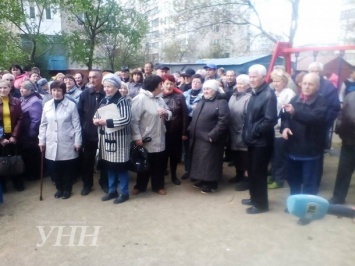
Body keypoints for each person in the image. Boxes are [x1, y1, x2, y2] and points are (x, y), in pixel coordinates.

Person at [282, 73, 327, 197]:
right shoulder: (295, 99)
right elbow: (286, 116)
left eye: (310, 84)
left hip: (310, 151)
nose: (306, 87)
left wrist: (295, 112)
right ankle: (296, 205)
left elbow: (314, 118)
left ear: (317, 86)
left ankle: (308, 211)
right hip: (293, 148)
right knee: (293, 180)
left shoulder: (321, 101)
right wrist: (285, 127)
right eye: (304, 83)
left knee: (309, 183)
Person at [241, 64, 277, 214]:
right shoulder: (255, 93)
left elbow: (270, 120)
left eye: (254, 76)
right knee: (252, 171)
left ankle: (261, 204)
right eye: (250, 76)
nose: (251, 79)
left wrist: (253, 132)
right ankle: (254, 197)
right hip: (253, 140)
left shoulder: (268, 95)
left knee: (259, 173)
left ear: (263, 77)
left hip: (262, 142)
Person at [38, 81, 82, 199]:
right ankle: (59, 188)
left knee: (67, 168)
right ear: (50, 91)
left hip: (67, 141)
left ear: (63, 91)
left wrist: (78, 141)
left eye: (59, 90)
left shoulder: (71, 105)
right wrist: (41, 140)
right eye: (54, 90)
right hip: (51, 141)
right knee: (54, 168)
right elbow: (43, 124)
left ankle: (67, 189)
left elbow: (77, 125)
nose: (56, 93)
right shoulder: (47, 105)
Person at [93, 74, 132, 204]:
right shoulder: (104, 100)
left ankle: (124, 193)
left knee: (120, 168)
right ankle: (112, 191)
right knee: (110, 167)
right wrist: (95, 120)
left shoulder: (123, 101)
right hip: (106, 140)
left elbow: (126, 120)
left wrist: (106, 122)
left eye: (109, 86)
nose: (107, 89)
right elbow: (97, 114)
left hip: (120, 140)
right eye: (105, 86)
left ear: (116, 87)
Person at [131, 75, 172, 195]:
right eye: (161, 84)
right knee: (144, 162)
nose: (163, 86)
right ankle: (140, 186)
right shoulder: (140, 99)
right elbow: (133, 120)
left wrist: (166, 113)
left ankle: (158, 186)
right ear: (155, 86)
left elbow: (169, 112)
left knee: (158, 164)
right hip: (146, 138)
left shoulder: (159, 99)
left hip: (160, 137)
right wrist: (137, 137)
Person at [188, 79, 229, 193]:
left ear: (215, 90)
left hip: (210, 138)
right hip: (198, 137)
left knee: (210, 161)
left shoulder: (221, 102)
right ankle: (202, 179)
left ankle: (212, 183)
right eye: (204, 89)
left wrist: (213, 134)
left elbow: (223, 121)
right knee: (200, 160)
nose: (205, 91)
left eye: (208, 89)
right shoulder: (203, 100)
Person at [77, 70, 106, 195]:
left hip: (105, 132)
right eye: (90, 78)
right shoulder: (84, 94)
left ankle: (104, 182)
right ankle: (87, 184)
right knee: (87, 160)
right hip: (89, 134)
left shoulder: (107, 93)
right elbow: (79, 113)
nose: (92, 80)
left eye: (95, 77)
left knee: (104, 160)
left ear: (101, 78)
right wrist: (85, 126)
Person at [268, 69, 296, 189]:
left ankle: (279, 180)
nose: (275, 83)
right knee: (273, 154)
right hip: (272, 129)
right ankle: (273, 175)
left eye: (278, 81)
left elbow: (287, 113)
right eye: (274, 81)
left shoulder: (288, 93)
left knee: (280, 156)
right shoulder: (274, 92)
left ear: (284, 81)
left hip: (281, 128)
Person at [162, 74, 189, 186]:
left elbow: (185, 115)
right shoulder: (158, 96)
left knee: (174, 155)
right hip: (161, 132)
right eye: (167, 83)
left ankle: (173, 175)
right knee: (162, 155)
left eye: (171, 84)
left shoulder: (179, 97)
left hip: (175, 131)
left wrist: (184, 132)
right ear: (162, 84)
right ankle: (161, 174)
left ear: (174, 84)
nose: (169, 86)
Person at [329, 90, 355, 204]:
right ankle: (338, 197)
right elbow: (341, 113)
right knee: (344, 171)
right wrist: (339, 125)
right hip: (348, 142)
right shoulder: (350, 96)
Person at [228, 74, 251, 189]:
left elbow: (249, 117)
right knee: (236, 155)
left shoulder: (249, 97)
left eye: (242, 83)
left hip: (243, 131)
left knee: (245, 157)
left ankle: (247, 180)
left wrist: (244, 130)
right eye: (238, 83)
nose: (239, 85)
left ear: (248, 85)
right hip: (232, 131)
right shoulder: (233, 95)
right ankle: (239, 175)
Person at [0, 80, 23, 192]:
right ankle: (3, 185)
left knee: (15, 159)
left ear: (10, 89)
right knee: (2, 161)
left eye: (5, 88)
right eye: (0, 88)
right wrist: (1, 138)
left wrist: (14, 136)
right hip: (1, 136)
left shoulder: (16, 101)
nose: (2, 90)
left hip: (14, 135)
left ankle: (18, 183)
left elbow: (20, 119)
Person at [180, 74, 204, 180]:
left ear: (202, 84)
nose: (195, 84)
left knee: (197, 150)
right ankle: (188, 170)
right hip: (185, 124)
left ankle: (196, 172)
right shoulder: (184, 94)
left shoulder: (204, 95)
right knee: (186, 149)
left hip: (198, 125)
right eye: (194, 81)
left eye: (198, 82)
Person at [19, 80, 42, 181]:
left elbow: (36, 119)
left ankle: (35, 174)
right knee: (27, 155)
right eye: (20, 88)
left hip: (30, 134)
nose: (21, 90)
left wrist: (31, 133)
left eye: (23, 88)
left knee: (32, 155)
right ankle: (28, 173)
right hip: (23, 132)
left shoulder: (34, 101)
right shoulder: (23, 99)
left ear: (30, 90)